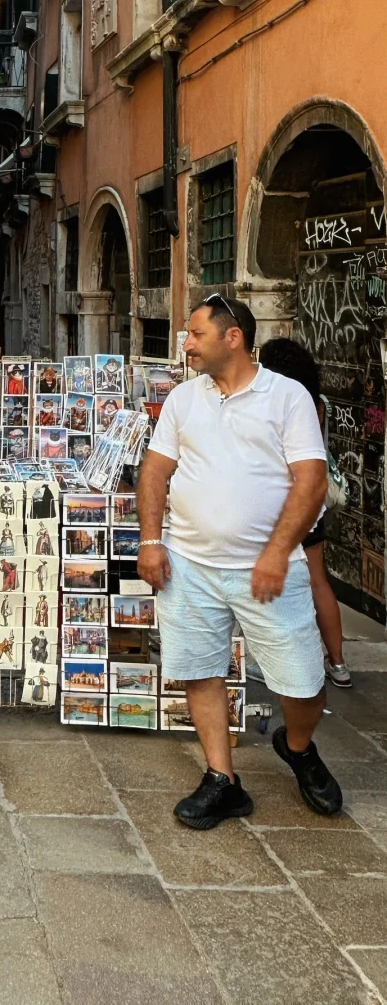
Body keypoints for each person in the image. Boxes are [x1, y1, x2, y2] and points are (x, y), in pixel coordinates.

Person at [138, 294, 342, 828]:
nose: (185, 344)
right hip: (188, 564)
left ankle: (297, 747)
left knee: (302, 683)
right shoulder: (184, 400)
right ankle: (222, 779)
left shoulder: (287, 397)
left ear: (233, 337)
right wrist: (151, 541)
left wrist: (276, 553)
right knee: (200, 669)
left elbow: (312, 480)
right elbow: (156, 471)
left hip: (269, 571)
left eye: (196, 334)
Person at [258, 337, 350, 687]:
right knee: (317, 579)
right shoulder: (318, 403)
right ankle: (338, 662)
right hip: (312, 499)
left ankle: (284, 661)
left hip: (281, 498)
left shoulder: (275, 401)